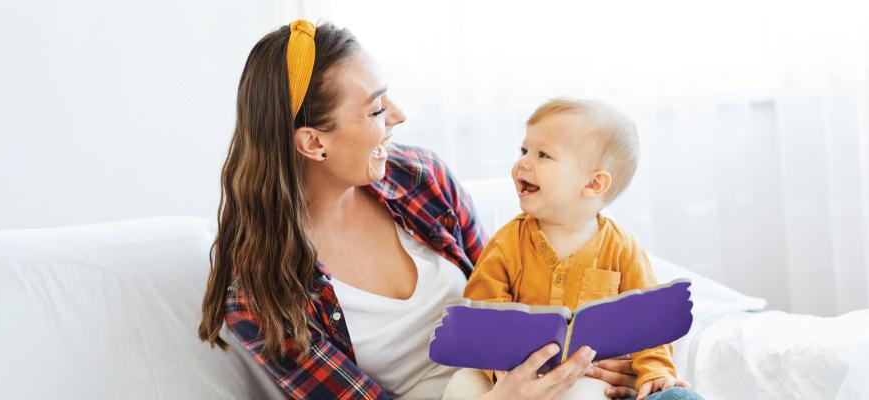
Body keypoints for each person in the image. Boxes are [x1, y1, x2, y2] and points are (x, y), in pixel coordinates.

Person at [197, 19, 649, 399]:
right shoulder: (261, 292)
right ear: (314, 142)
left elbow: (512, 285)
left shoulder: (419, 177)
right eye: (375, 110)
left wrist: (598, 359)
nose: (398, 114)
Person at [459, 99, 701, 400]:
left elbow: (648, 323)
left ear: (594, 184)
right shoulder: (506, 243)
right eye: (524, 151)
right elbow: (483, 311)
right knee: (462, 385)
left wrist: (655, 371)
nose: (523, 163)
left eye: (543, 154)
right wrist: (502, 373)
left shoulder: (621, 248)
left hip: (584, 375)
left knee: (585, 394)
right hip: (510, 377)